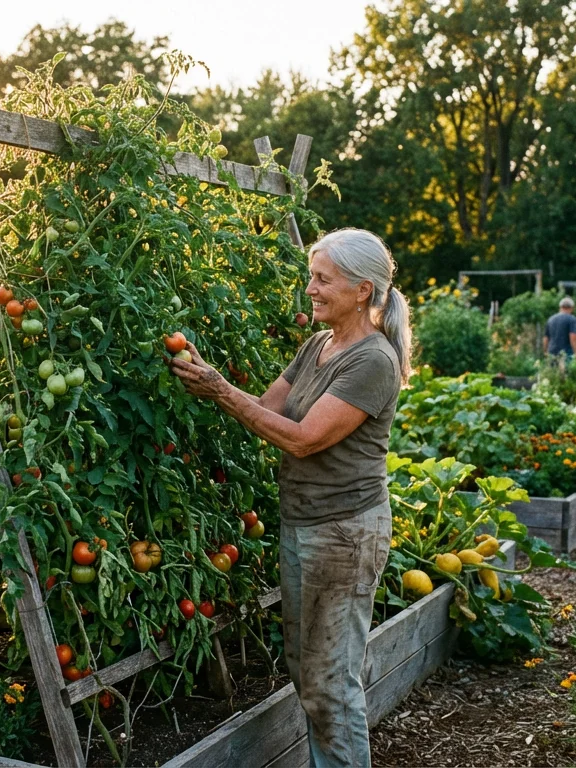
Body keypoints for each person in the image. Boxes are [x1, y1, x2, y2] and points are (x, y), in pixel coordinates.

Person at [168, 228, 406, 767]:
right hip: (306, 525)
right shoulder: (318, 346)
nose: (311, 289)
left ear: (362, 289)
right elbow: (268, 410)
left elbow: (302, 439)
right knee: (311, 671)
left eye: (323, 279)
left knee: (329, 684)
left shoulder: (371, 361)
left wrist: (221, 391)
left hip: (344, 533)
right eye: (311, 276)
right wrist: (211, 379)